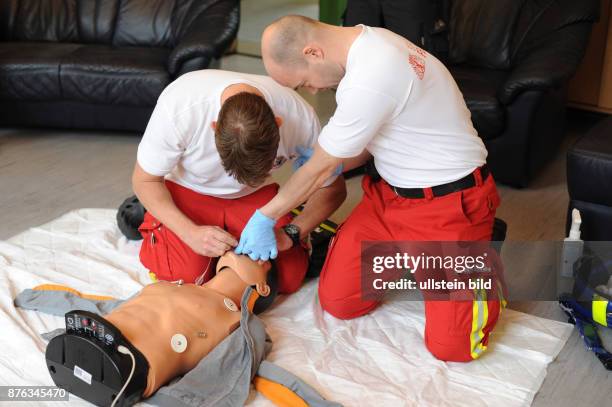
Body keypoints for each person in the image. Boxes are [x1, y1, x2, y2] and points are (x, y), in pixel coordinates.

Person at [236, 16, 503, 362]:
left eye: (304, 82)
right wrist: (318, 159)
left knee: (454, 348)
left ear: (313, 52)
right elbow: (359, 146)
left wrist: (264, 216)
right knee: (340, 302)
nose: (313, 91)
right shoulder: (368, 45)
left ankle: (477, 267)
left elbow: (323, 168)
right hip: (387, 197)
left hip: (448, 205)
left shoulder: (372, 74)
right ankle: (418, 258)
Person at [132, 69, 346, 294]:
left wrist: (292, 233)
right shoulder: (181, 108)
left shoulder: (300, 118)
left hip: (256, 196)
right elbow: (144, 181)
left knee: (288, 278)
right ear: (214, 127)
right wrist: (188, 232)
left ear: (278, 123)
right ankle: (149, 213)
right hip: (189, 189)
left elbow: (334, 188)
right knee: (187, 279)